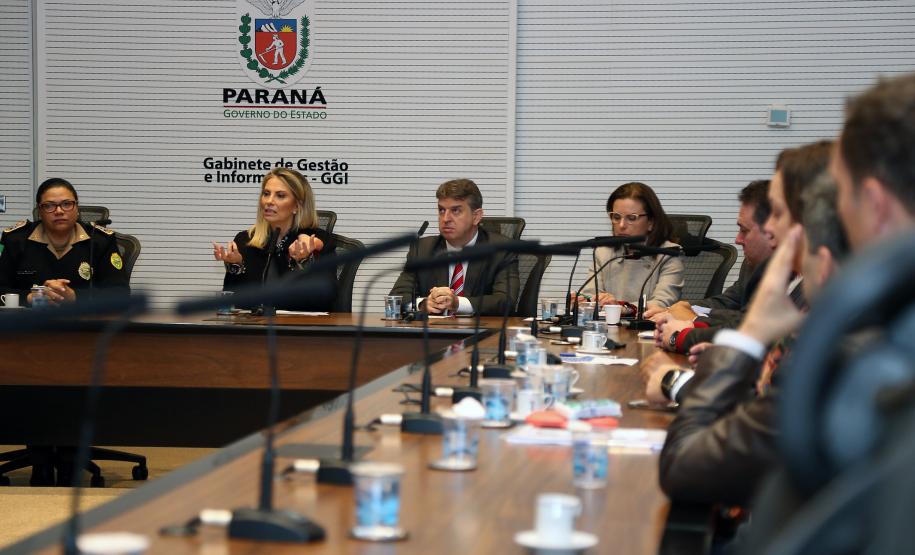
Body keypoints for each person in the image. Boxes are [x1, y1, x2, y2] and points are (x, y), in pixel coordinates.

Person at [658, 164, 849, 507]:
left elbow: (687, 467)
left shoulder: (830, 315)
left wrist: (675, 382)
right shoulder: (811, 292)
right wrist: (730, 358)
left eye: (777, 214)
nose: (770, 228)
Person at [389, 178, 519, 316]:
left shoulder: (502, 250)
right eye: (441, 210)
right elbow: (397, 297)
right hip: (435, 329)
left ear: (476, 216)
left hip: (482, 329)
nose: (445, 219)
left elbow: (505, 301)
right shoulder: (422, 249)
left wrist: (457, 303)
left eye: (455, 211)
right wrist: (423, 304)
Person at [213, 168, 337, 311]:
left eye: (280, 195)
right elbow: (232, 300)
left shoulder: (317, 241)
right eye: (266, 194)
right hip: (255, 324)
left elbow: (326, 299)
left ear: (297, 206)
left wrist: (305, 262)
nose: (269, 201)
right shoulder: (245, 240)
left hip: (300, 324)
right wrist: (237, 267)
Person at [0, 177, 130, 306]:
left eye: (67, 204)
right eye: (49, 205)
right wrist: (30, 298)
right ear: (39, 211)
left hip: (83, 317)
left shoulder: (101, 240)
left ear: (77, 208)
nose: (59, 211)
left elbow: (120, 293)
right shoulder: (14, 240)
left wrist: (75, 297)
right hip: (29, 317)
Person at [585, 182, 683, 312]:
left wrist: (621, 307)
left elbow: (661, 303)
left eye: (631, 218)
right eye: (616, 217)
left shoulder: (669, 254)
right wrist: (587, 300)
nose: (621, 225)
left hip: (649, 324)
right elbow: (590, 295)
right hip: (606, 324)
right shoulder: (603, 252)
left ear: (651, 222)